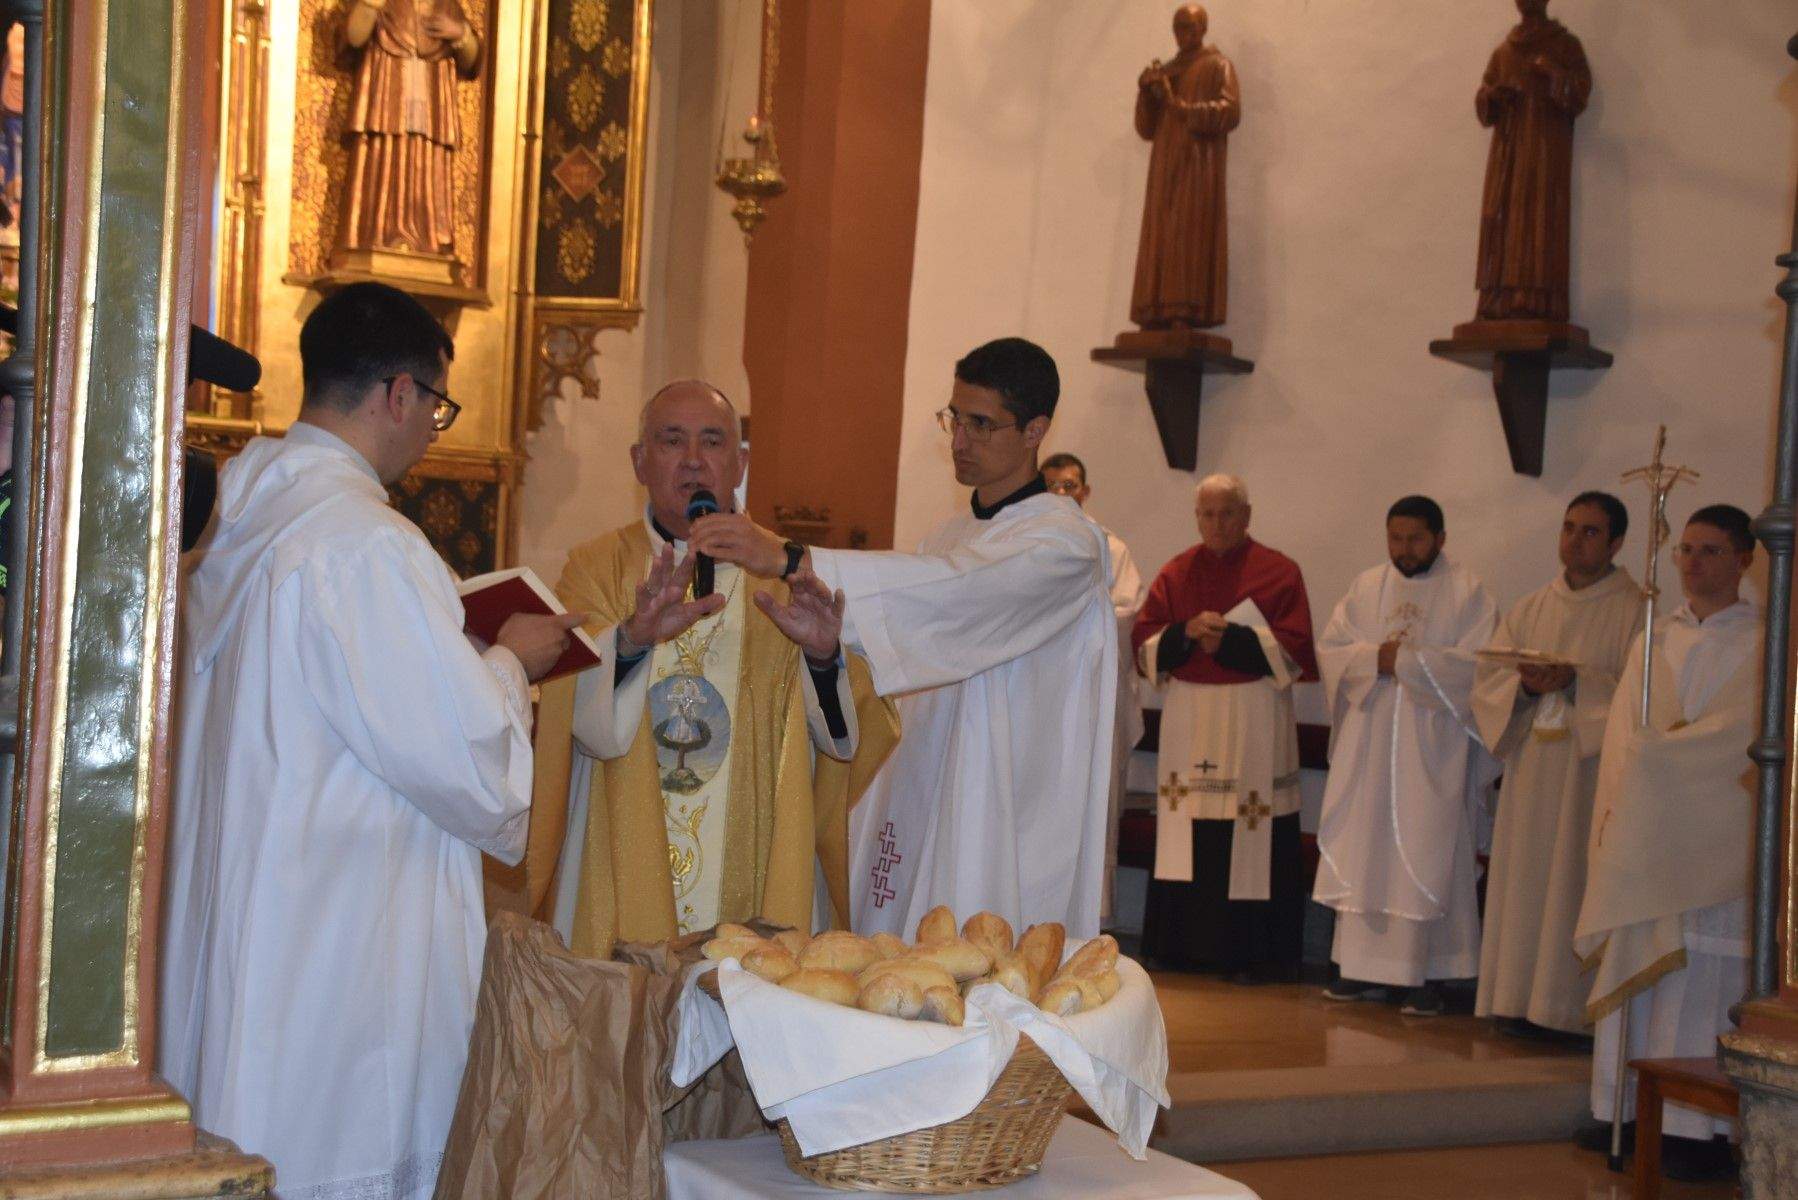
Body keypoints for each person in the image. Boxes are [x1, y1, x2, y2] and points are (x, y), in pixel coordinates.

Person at [160, 283, 582, 1199]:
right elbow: (469, 767)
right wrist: (509, 662)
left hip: (251, 935)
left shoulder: (231, 519)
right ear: (399, 393)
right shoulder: (367, 546)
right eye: (435, 405)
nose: (432, 427)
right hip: (334, 961)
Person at [690, 338, 1118, 938]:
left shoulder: (1068, 545)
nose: (959, 440)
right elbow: (906, 637)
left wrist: (791, 557)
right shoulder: (945, 537)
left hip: (1001, 813)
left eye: (981, 424)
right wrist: (826, 649)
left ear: (1035, 431)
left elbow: (961, 592)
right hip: (918, 791)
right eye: (954, 418)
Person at [518, 380, 899, 957]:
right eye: (672, 441)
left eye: (713, 442)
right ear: (639, 461)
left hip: (759, 857)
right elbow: (572, 715)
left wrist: (824, 659)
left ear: (740, 463)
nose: (694, 460)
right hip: (618, 859)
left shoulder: (789, 572)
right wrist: (630, 642)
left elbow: (849, 740)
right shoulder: (596, 569)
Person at [1574, 505, 1761, 1181]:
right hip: (1649, 833)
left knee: (1703, 975)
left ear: (1744, 560)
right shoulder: (1654, 636)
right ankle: (1624, 1111)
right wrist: (1632, 793)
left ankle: (1698, 1128)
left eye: (1710, 550)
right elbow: (1626, 736)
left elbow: (1743, 735)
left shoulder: (1765, 642)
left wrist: (1670, 760)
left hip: (1714, 838)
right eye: (1686, 549)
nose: (1692, 563)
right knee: (1642, 958)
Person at [1313, 495, 1499, 1016]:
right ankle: (1359, 968)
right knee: (1364, 847)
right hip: (1369, 745)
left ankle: (1428, 974)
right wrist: (1375, 658)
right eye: (1396, 538)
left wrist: (1410, 663)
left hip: (1433, 752)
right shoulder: (1366, 586)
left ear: (1440, 538)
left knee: (1429, 849)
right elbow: (1332, 650)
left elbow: (1481, 667)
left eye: (1416, 538)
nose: (1404, 548)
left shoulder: (1469, 593)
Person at [1131, 474, 1316, 981]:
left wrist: (1233, 640)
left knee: (1251, 826)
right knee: (1187, 830)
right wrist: (1184, 633)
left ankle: (1254, 956)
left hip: (1255, 716)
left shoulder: (1279, 572)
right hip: (1189, 719)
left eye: (1227, 513)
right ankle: (1179, 949)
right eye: (1207, 514)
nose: (1217, 524)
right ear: (1197, 518)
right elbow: (1144, 645)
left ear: (1246, 515)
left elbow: (1297, 651)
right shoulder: (1176, 573)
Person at [1473, 492, 1641, 1038]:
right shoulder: (1530, 608)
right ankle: (1517, 1001)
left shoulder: (1635, 611)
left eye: (1590, 531)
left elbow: (1641, 699)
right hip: (1531, 774)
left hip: (1587, 777)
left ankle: (1565, 1010)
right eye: (1569, 528)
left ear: (1616, 542)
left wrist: (1575, 684)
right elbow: (1488, 684)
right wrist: (1525, 687)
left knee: (1572, 882)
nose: (1574, 540)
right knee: (1524, 885)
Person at [1043, 451, 1145, 925]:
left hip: (1092, 698)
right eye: (1053, 486)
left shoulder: (1112, 549)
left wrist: (1071, 617)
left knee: (1092, 804)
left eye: (1071, 486)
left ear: (1085, 492)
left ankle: (1091, 918)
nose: (1063, 494)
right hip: (1044, 699)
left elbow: (1125, 615)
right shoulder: (1029, 545)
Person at [1472, 0, 1591, 322]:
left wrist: (1553, 73)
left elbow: (1579, 94)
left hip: (1544, 153)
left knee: (1539, 216)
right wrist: (1493, 96)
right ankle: (1498, 298)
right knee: (1502, 215)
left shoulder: (1565, 45)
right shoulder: (1503, 53)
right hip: (1508, 154)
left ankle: (1538, 299)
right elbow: (1484, 102)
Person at [339, 0, 483, 258]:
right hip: (387, 99)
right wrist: (370, 7)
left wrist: (461, 35)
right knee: (383, 161)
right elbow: (352, 39)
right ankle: (376, 235)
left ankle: (429, 242)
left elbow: (471, 62)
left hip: (431, 106)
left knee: (427, 167)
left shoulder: (445, 5)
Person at [1130, 3, 1241, 329]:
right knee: (1160, 233)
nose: (1183, 34)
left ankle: (1183, 308)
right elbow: (1147, 129)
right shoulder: (1167, 71)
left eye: (1189, 27)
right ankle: (1154, 308)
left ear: (1203, 29)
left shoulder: (1217, 65)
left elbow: (1230, 112)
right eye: (1178, 27)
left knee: (1187, 232)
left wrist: (1182, 108)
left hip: (1197, 166)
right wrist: (1146, 94)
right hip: (1164, 166)